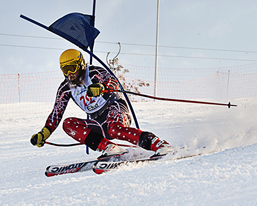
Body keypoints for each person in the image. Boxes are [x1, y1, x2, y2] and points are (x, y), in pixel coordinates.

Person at [30, 49, 173, 157]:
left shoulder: (93, 73)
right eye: (65, 70)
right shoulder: (65, 88)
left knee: (114, 129)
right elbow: (56, 113)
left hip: (115, 107)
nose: (70, 74)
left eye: (72, 68)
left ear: (81, 64)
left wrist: (102, 87)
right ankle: (109, 148)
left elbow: (112, 81)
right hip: (98, 121)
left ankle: (157, 144)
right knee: (68, 124)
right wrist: (43, 134)